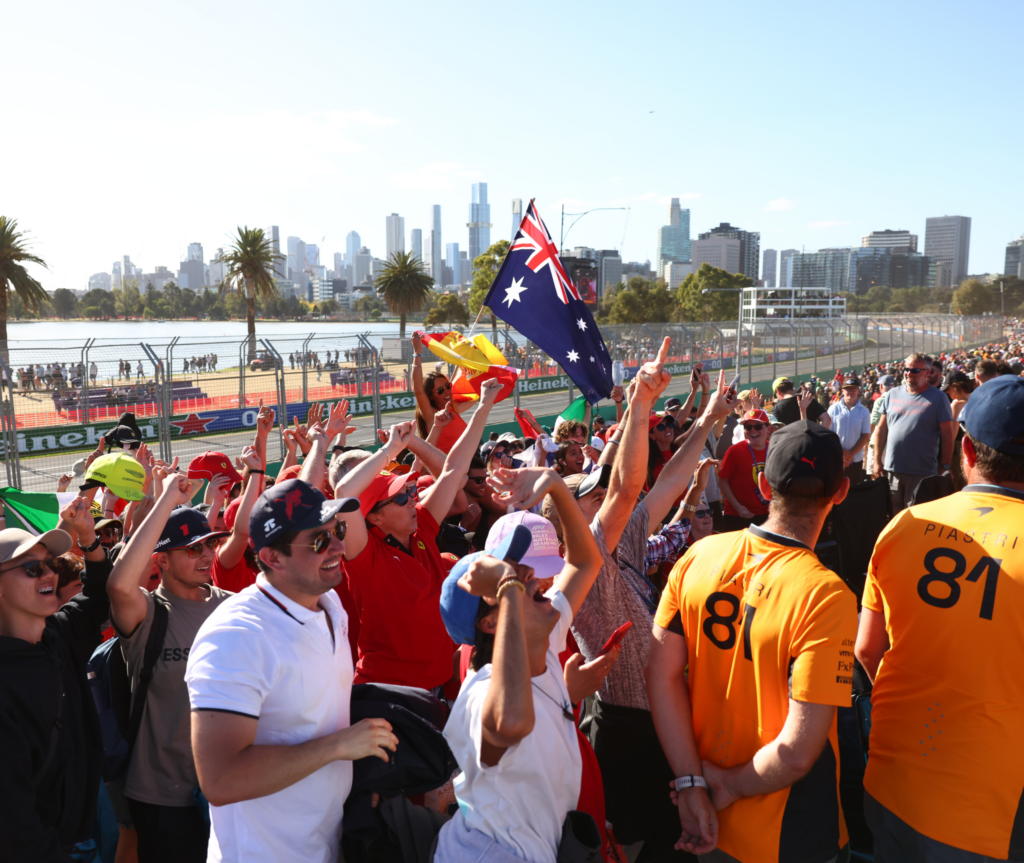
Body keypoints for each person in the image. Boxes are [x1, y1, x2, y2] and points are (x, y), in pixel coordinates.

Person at [646, 420, 856, 862]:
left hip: (704, 809)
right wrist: (729, 784)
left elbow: (660, 676)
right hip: (787, 829)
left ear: (763, 484)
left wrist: (691, 784)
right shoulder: (827, 593)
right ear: (841, 492)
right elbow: (798, 754)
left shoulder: (699, 555)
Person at [567, 344, 736, 862]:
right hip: (622, 729)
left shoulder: (625, 540)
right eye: (591, 499)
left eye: (602, 496)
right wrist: (639, 407)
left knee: (668, 843)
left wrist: (708, 417)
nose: (607, 502)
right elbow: (629, 487)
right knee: (628, 845)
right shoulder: (586, 561)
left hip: (660, 721)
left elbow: (664, 484)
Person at [854, 375, 1024, 862]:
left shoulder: (903, 525)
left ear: (967, 450)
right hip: (992, 810)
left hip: (894, 780)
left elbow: (868, 649)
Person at [186, 478, 397, 863]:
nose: (336, 546)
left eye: (337, 530)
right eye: (318, 541)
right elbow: (220, 779)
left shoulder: (329, 603)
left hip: (326, 842)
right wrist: (339, 747)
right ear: (272, 558)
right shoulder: (236, 636)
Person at [433, 466, 603, 863]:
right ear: (492, 621)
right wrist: (511, 590)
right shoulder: (481, 687)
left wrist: (557, 485)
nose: (531, 577)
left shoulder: (540, 648)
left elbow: (584, 562)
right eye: (511, 575)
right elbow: (510, 722)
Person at [335, 378, 502, 691]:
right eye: (399, 498)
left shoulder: (421, 527)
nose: (412, 499)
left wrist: (483, 407)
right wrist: (389, 450)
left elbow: (455, 472)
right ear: (373, 517)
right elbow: (343, 491)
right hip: (390, 694)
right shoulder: (364, 555)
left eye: (409, 491)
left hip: (439, 685)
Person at [106, 466, 232, 863]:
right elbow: (119, 585)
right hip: (162, 797)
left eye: (210, 544)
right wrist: (165, 501)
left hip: (229, 785)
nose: (208, 555)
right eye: (193, 548)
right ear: (161, 559)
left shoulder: (232, 607)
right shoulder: (149, 612)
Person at [0, 498, 112, 862]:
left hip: (83, 838)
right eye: (32, 569)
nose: (49, 575)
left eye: (49, 565)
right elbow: (13, 817)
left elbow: (98, 595)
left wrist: (89, 539)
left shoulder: (59, 634)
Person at [871, 352, 957, 510]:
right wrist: (876, 460)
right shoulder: (891, 394)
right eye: (906, 369)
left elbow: (947, 435)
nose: (909, 373)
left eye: (915, 370)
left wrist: (945, 466)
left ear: (927, 372)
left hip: (922, 473)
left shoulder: (939, 398)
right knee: (894, 518)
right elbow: (881, 430)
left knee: (916, 519)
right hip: (892, 470)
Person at [411, 332, 471, 451]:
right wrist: (417, 353)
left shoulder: (453, 409)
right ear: (430, 396)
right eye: (440, 390)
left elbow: (478, 397)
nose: (447, 392)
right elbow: (418, 389)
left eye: (448, 386)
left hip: (466, 464)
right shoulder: (431, 415)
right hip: (445, 467)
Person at [718, 408, 771, 531]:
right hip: (738, 514)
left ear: (768, 428)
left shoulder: (774, 447)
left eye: (758, 426)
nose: (753, 430)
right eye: (748, 427)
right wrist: (737, 506)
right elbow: (722, 481)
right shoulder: (734, 451)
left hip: (768, 513)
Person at [827, 375, 872, 484]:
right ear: (842, 391)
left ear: (858, 391)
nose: (850, 392)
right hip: (836, 459)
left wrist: (850, 455)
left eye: (853, 389)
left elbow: (865, 436)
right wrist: (842, 453)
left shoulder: (864, 412)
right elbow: (828, 434)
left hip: (855, 460)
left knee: (854, 493)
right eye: (847, 389)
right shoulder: (833, 409)